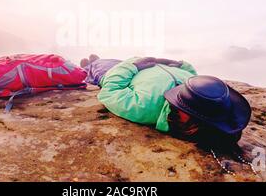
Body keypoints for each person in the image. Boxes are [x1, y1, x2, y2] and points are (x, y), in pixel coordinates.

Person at [97, 57, 252, 155]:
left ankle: (93, 62)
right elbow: (194, 76)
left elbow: (109, 91)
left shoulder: (145, 106)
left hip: (115, 70)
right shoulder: (197, 92)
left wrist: (133, 66)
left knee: (96, 63)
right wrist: (178, 64)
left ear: (190, 121)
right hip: (150, 64)